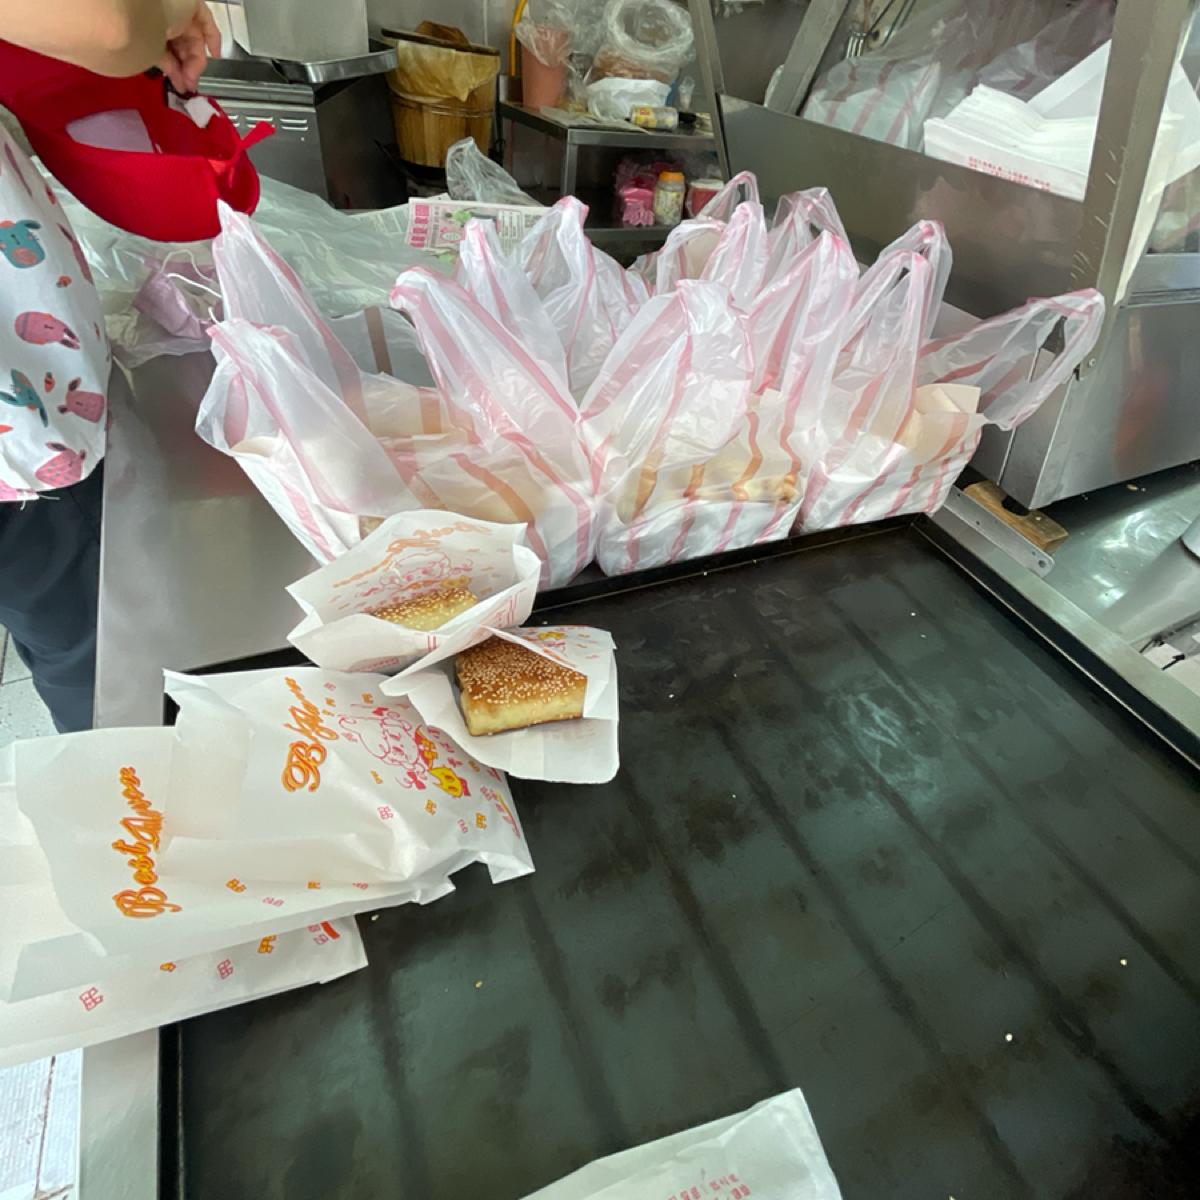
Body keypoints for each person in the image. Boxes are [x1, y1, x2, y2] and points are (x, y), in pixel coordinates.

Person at [0, 1, 219, 732]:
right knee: (101, 661)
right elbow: (111, 24)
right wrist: (174, 9)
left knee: (63, 634)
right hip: (21, 425)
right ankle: (150, 786)